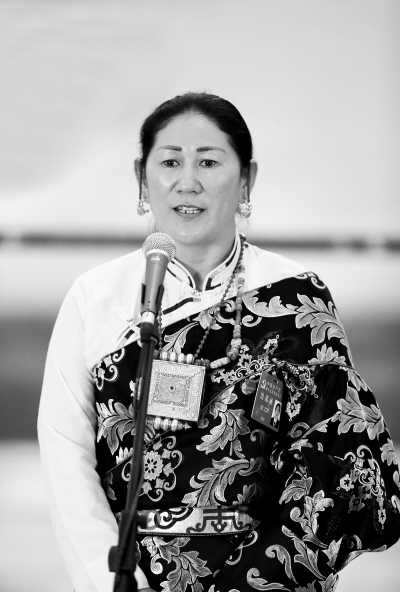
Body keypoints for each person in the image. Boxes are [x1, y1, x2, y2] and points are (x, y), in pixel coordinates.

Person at [38, 92, 400, 592]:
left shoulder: (297, 298)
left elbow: (337, 457)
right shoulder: (95, 298)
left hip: (271, 577)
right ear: (142, 177)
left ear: (246, 178)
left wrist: (266, 577)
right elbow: (66, 457)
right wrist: (114, 582)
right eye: (170, 162)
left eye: (208, 162)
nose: (188, 181)